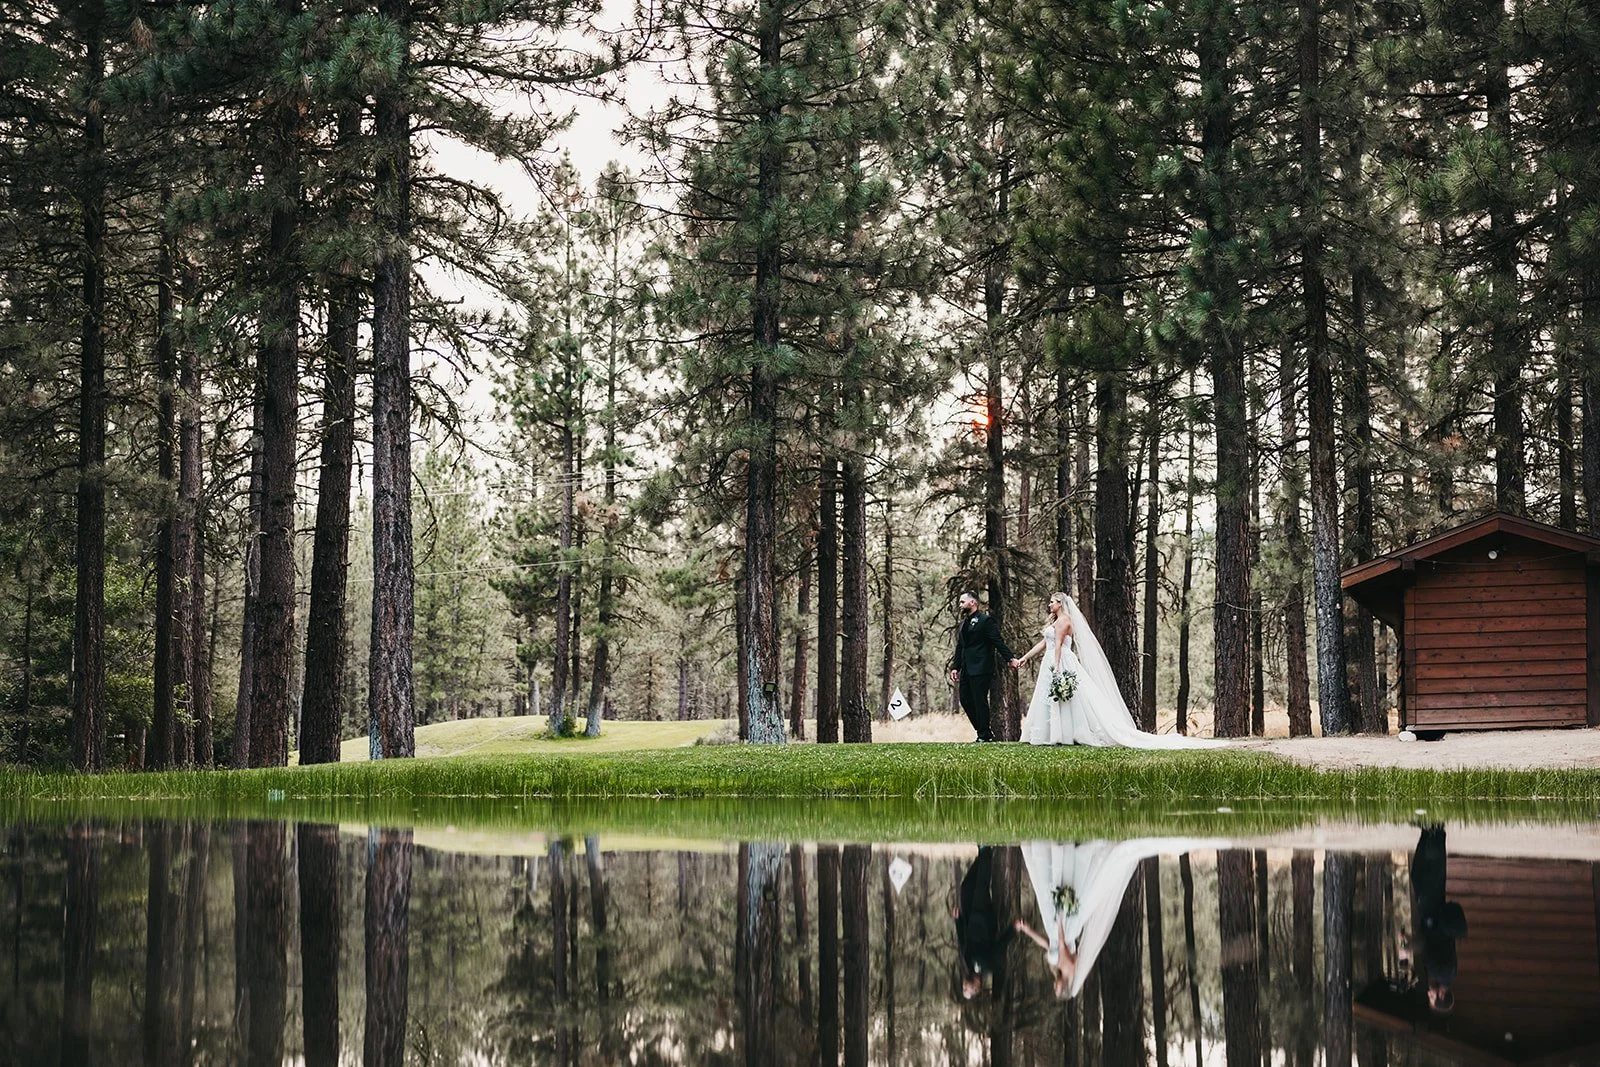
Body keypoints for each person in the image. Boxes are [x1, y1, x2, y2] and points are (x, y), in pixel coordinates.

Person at [1012, 593, 1224, 749]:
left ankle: (1066, 733)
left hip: (1059, 661)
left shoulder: (1064, 621)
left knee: (1071, 698)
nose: (1049, 604)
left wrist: (1056, 669)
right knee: (1058, 698)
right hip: (1053, 659)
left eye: (1052, 601)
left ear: (1060, 604)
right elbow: (1044, 644)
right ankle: (1054, 733)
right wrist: (1024, 658)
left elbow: (1057, 646)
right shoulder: (1057, 621)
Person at [1407, 824, 1466, 1013]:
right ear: (1441, 995)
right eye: (1432, 997)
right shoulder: (1440, 973)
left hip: (1435, 916)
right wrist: (1409, 947)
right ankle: (1435, 830)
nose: (1428, 994)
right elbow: (1425, 946)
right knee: (1430, 873)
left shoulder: (1448, 974)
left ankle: (1428, 831)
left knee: (1422, 874)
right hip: (1433, 916)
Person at [948, 592, 1018, 743]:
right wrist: (955, 667)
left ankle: (984, 735)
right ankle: (983, 731)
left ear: (973, 602)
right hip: (966, 668)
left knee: (980, 700)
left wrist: (1010, 658)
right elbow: (961, 647)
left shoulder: (985, 621)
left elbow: (997, 641)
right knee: (965, 700)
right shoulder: (963, 624)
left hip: (981, 667)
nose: (960, 605)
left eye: (962, 602)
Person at [953, 845, 1012, 1000]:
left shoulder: (967, 964)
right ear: (977, 987)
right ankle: (987, 849)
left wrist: (958, 920)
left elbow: (962, 941)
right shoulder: (987, 966)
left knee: (966, 887)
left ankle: (983, 854)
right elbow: (1000, 946)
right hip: (984, 919)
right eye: (969, 988)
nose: (965, 984)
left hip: (971, 917)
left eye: (964, 986)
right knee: (981, 886)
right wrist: (1013, 929)